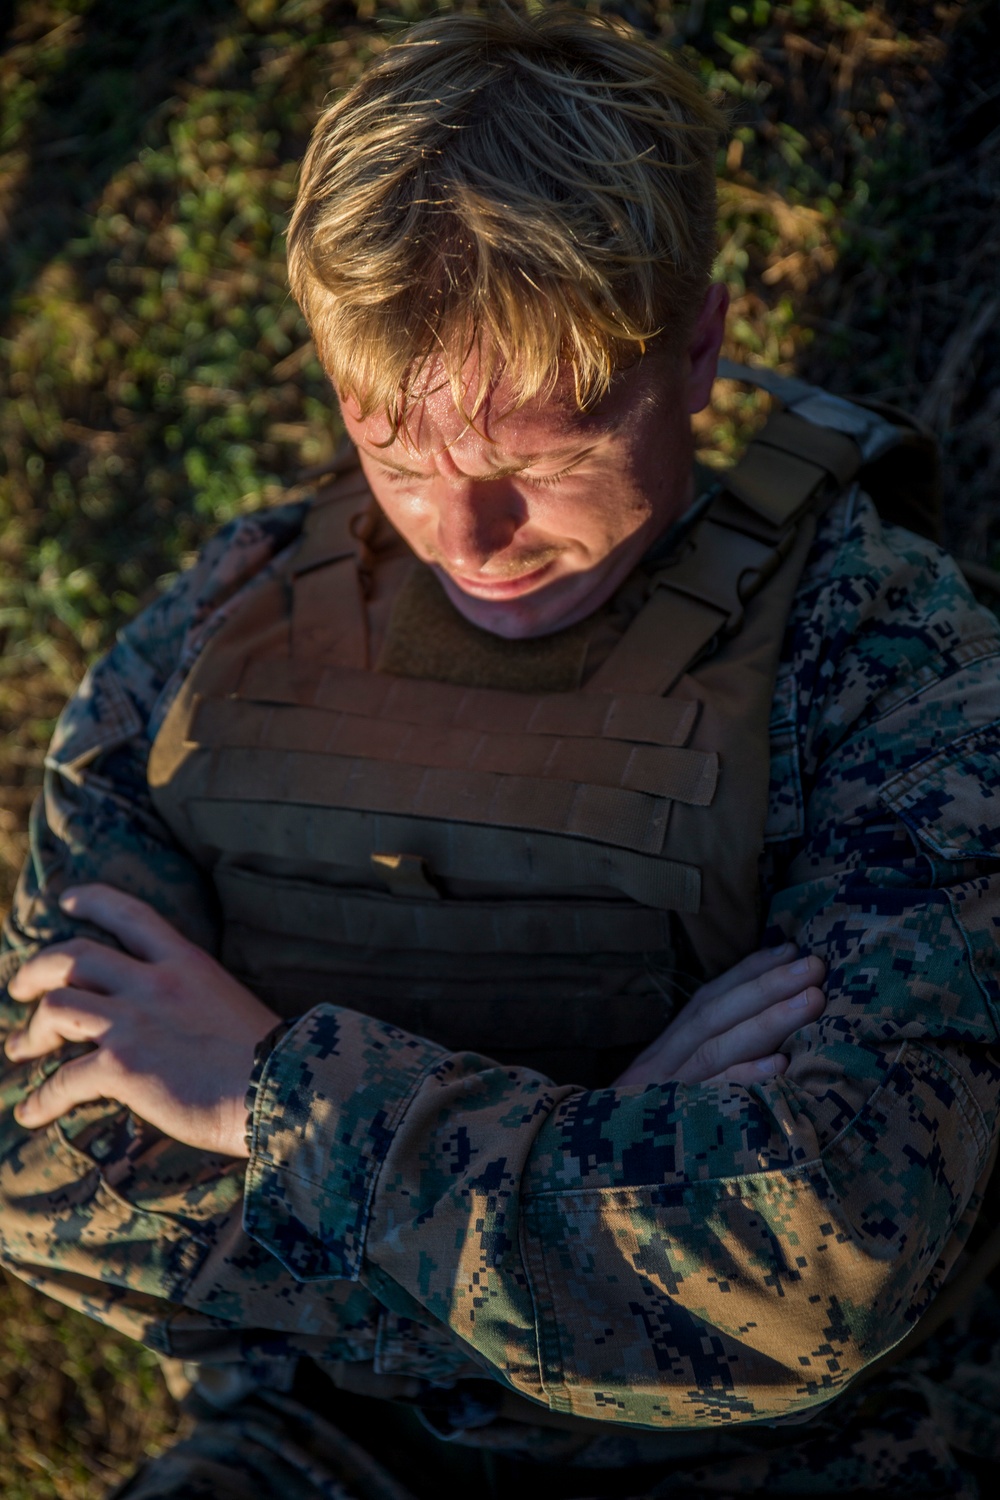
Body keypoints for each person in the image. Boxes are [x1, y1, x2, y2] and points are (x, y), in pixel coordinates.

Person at [1, 9, 999, 1497]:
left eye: (535, 461)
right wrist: (613, 1155)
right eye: (397, 452)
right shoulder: (225, 628)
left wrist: (270, 1096)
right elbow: (40, 1177)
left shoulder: (884, 661)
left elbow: (806, 1274)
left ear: (702, 350)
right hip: (318, 1447)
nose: (464, 536)